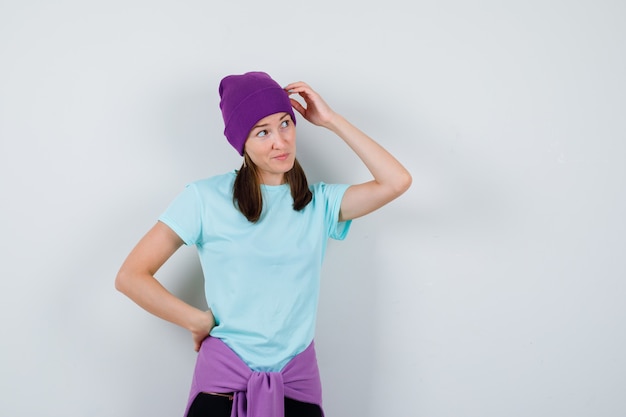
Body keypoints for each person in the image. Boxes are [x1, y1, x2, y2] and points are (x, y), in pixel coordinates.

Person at [115, 71, 412, 417]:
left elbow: (397, 181)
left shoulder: (320, 204)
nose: (280, 142)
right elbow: (131, 275)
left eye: (285, 123)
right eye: (263, 132)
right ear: (243, 142)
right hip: (222, 389)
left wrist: (331, 120)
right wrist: (195, 320)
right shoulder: (204, 199)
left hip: (297, 387)